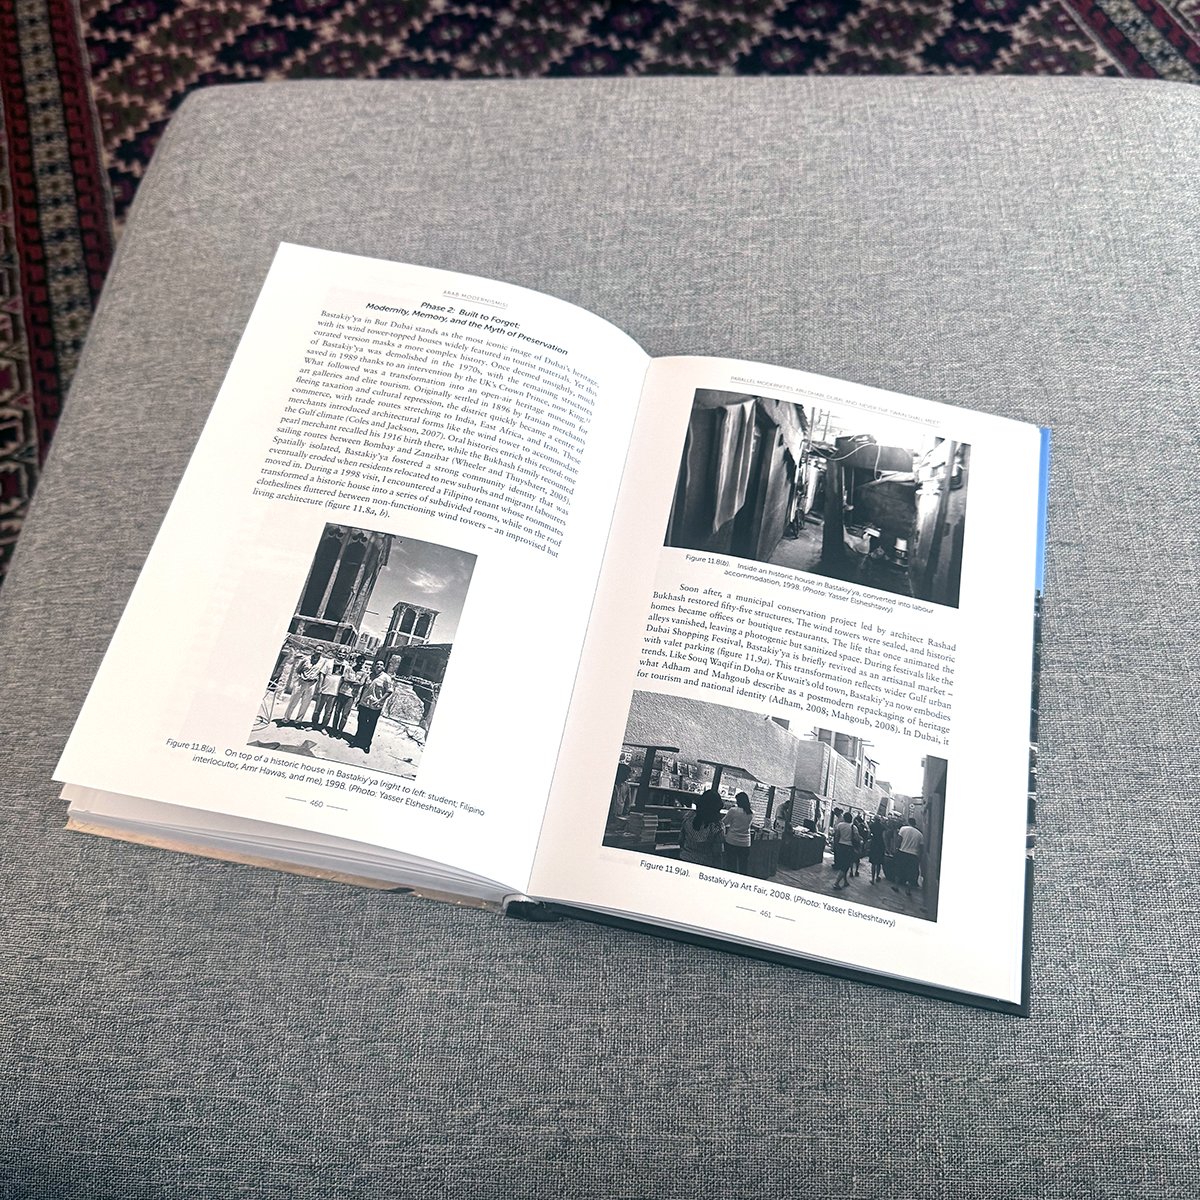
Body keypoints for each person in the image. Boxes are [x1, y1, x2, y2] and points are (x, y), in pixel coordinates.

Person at [352, 660, 395, 753]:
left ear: (384, 667)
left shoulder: (386, 678)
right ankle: (357, 740)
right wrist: (359, 700)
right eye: (377, 664)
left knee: (371, 725)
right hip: (364, 703)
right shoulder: (369, 675)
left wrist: (380, 700)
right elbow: (364, 688)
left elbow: (389, 691)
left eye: (381, 664)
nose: (378, 666)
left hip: (375, 706)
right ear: (374, 666)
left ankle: (366, 744)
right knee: (361, 722)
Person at [678, 788, 724, 867]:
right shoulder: (717, 826)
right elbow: (717, 853)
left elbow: (680, 840)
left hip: (685, 859)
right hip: (704, 864)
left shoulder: (689, 817)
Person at [283, 651, 323, 724]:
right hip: (301, 682)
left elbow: (321, 673)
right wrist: (301, 676)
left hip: (311, 684)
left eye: (320, 651)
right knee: (293, 701)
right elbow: (298, 670)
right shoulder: (306, 659)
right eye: (317, 650)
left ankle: (298, 720)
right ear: (314, 651)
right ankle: (286, 718)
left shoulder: (322, 662)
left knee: (305, 703)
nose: (318, 652)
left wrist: (316, 679)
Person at [334, 655, 369, 735]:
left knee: (345, 714)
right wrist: (355, 682)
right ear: (356, 661)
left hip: (352, 695)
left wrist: (350, 681)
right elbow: (345, 679)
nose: (360, 663)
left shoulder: (364, 673)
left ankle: (340, 731)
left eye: (362, 662)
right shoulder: (349, 669)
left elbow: (361, 683)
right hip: (342, 692)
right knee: (337, 712)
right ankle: (334, 729)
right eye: (359, 661)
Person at [722, 792, 754, 875]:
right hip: (745, 843)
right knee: (743, 866)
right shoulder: (751, 813)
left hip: (732, 841)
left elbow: (724, 822)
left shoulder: (733, 810)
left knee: (731, 865)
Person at [893, 818, 925, 895]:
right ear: (915, 823)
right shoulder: (920, 834)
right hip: (913, 855)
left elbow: (899, 840)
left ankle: (896, 886)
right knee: (911, 873)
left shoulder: (903, 829)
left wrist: (896, 848)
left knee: (899, 869)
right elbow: (921, 848)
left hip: (902, 852)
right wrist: (919, 857)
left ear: (908, 822)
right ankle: (908, 890)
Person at [831, 811, 861, 890]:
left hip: (840, 846)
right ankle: (836, 883)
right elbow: (857, 838)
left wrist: (835, 845)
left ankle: (845, 881)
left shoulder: (840, 825)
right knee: (845, 866)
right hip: (849, 847)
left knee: (843, 864)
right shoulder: (853, 827)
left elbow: (837, 835)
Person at [312, 659, 343, 729]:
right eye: (340, 654)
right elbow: (322, 674)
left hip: (334, 692)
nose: (341, 655)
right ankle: (314, 725)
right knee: (317, 709)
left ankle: (323, 727)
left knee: (328, 712)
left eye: (344, 654)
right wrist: (320, 686)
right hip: (324, 690)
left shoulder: (346, 665)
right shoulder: (329, 662)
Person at [867, 815, 887, 884]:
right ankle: (877, 876)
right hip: (881, 846)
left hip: (873, 845)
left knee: (873, 863)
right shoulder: (883, 827)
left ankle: (872, 879)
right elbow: (884, 837)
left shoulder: (871, 826)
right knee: (879, 863)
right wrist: (886, 847)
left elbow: (869, 835)